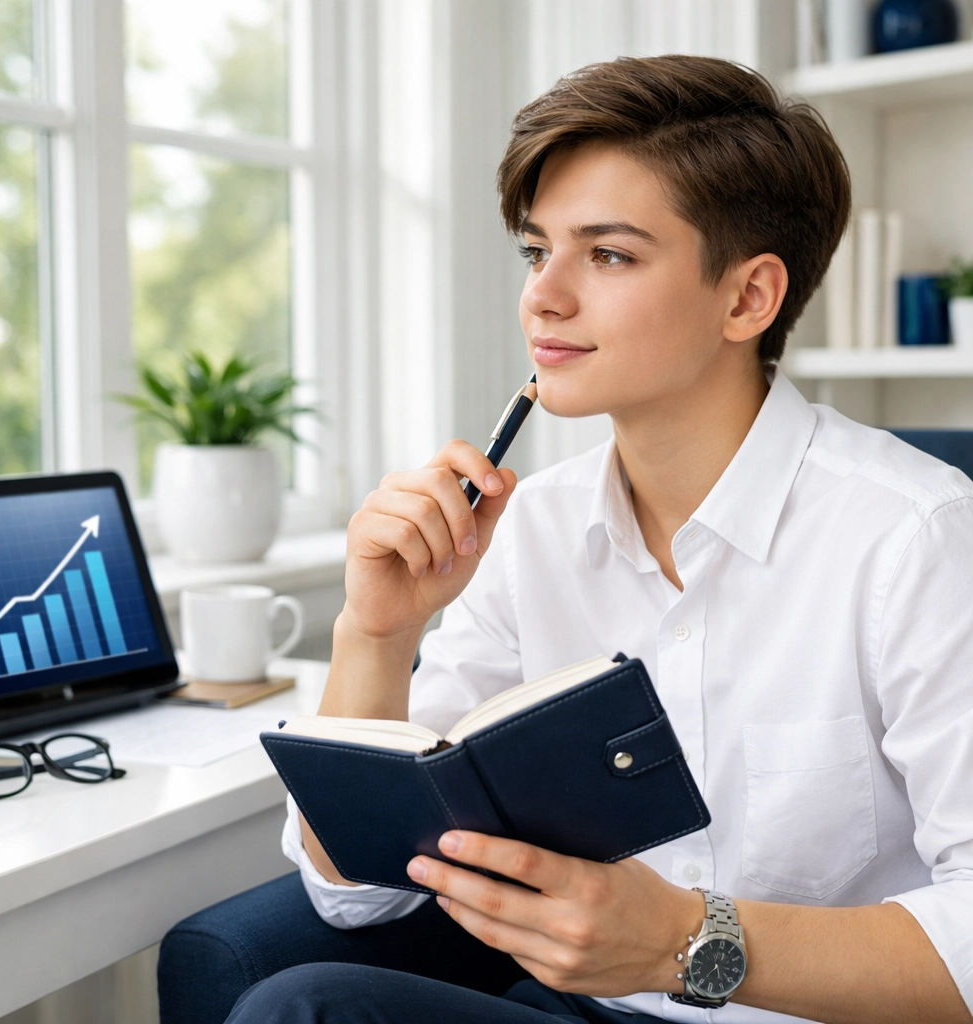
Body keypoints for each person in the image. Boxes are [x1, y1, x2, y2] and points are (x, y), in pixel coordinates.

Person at [227, 55, 973, 1024]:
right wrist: (375, 634)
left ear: (747, 298)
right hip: (592, 1013)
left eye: (609, 255)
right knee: (301, 1006)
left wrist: (679, 939)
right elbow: (356, 894)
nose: (543, 296)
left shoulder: (916, 536)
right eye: (537, 251)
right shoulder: (530, 526)